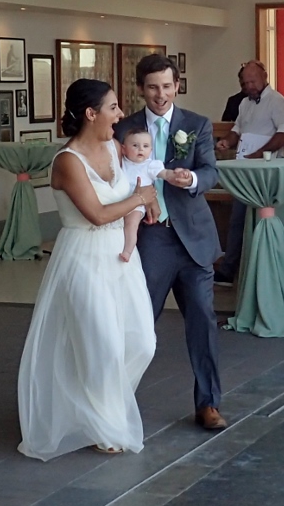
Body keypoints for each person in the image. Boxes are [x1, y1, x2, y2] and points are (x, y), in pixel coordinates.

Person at [17, 78, 157, 461]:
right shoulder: (67, 161)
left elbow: (137, 185)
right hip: (83, 257)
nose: (120, 114)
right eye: (113, 107)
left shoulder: (114, 147)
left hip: (121, 257)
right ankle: (105, 423)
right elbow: (95, 214)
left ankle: (95, 409)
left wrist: (148, 199)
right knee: (102, 346)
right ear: (91, 113)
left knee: (143, 342)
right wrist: (137, 198)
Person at [115, 53, 226, 431]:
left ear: (177, 85)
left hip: (193, 237)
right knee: (140, 321)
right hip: (149, 236)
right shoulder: (123, 127)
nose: (160, 94)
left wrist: (191, 180)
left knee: (203, 322)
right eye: (152, 87)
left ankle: (208, 403)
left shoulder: (196, 124)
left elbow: (211, 171)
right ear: (141, 89)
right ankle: (117, 399)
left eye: (166, 86)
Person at [214, 60, 284, 286]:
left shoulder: (277, 102)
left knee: (261, 220)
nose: (249, 86)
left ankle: (261, 273)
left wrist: (260, 153)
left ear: (264, 77)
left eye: (253, 81)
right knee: (237, 219)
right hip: (245, 168)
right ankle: (230, 269)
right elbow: (237, 130)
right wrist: (226, 142)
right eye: (245, 82)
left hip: (266, 171)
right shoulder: (244, 104)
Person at [120, 127, 186, 262]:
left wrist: (176, 174)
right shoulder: (122, 163)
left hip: (137, 203)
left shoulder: (150, 165)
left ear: (150, 150)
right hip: (120, 200)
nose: (140, 149)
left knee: (131, 225)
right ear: (123, 148)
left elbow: (165, 174)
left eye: (145, 146)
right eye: (135, 146)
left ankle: (127, 251)